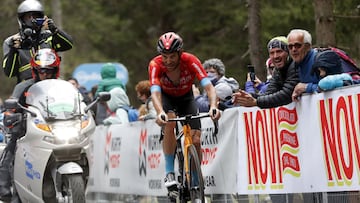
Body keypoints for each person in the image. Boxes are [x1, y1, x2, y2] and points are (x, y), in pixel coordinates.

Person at [148, 32, 220, 198]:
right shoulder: (155, 64)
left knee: (195, 140)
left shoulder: (191, 60)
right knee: (170, 121)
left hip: (186, 98)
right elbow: (155, 93)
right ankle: (169, 172)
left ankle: (195, 177)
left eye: (172, 56)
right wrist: (160, 113)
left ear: (180, 53)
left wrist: (214, 106)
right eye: (164, 56)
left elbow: (209, 87)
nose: (168, 61)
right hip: (166, 98)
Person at [0, 48, 61, 201]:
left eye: (49, 70)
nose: (45, 74)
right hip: (29, 131)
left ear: (55, 70)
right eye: (42, 70)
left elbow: (74, 103)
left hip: (57, 131)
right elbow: (11, 108)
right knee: (11, 150)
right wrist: (11, 115)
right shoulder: (23, 87)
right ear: (35, 70)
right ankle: (7, 191)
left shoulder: (61, 87)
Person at [2, 0, 73, 84]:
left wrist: (54, 30)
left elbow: (68, 45)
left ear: (42, 18)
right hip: (26, 87)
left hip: (50, 85)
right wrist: (13, 50)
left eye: (36, 17)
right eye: (28, 17)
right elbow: (9, 73)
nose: (32, 20)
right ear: (21, 20)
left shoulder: (48, 36)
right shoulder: (12, 41)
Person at [232, 36, 299, 109]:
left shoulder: (296, 65)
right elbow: (269, 93)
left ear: (288, 52)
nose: (275, 56)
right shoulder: (277, 71)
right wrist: (248, 96)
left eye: (279, 51)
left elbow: (286, 95)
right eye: (272, 53)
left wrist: (256, 102)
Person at [287, 29, 320, 102]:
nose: (294, 49)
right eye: (290, 46)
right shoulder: (295, 64)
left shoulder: (319, 60)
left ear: (308, 46)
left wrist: (307, 87)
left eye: (297, 45)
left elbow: (337, 88)